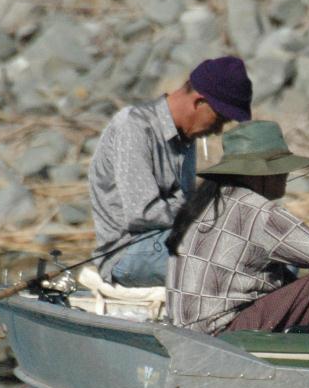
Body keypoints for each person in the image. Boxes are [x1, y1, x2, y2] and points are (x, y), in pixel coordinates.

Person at [166, 120, 309, 335]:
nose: (286, 175)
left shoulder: (202, 203)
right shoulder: (259, 212)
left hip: (185, 334)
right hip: (221, 335)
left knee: (288, 278)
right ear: (260, 175)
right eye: (280, 169)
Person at [88, 56, 253, 287]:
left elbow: (181, 204)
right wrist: (207, 212)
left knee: (262, 251)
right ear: (199, 102)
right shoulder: (133, 127)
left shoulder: (186, 136)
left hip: (170, 238)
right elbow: (142, 213)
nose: (217, 130)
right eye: (219, 120)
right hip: (127, 252)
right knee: (235, 262)